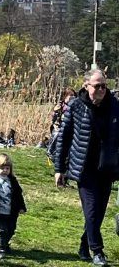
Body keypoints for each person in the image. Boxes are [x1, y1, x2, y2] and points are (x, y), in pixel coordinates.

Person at [53, 69, 119, 266]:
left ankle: (84, 243)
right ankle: (97, 251)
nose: (101, 90)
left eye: (104, 86)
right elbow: (63, 139)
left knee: (98, 213)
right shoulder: (76, 105)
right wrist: (59, 169)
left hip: (106, 168)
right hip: (84, 168)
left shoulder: (115, 106)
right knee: (90, 211)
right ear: (86, 86)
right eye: (96, 86)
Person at [0, 153, 27, 260]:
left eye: (7, 168)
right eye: (2, 168)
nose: (5, 170)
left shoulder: (13, 181)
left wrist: (21, 207)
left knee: (11, 229)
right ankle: (1, 249)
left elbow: (18, 195)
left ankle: (6, 245)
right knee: (2, 230)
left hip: (11, 211)